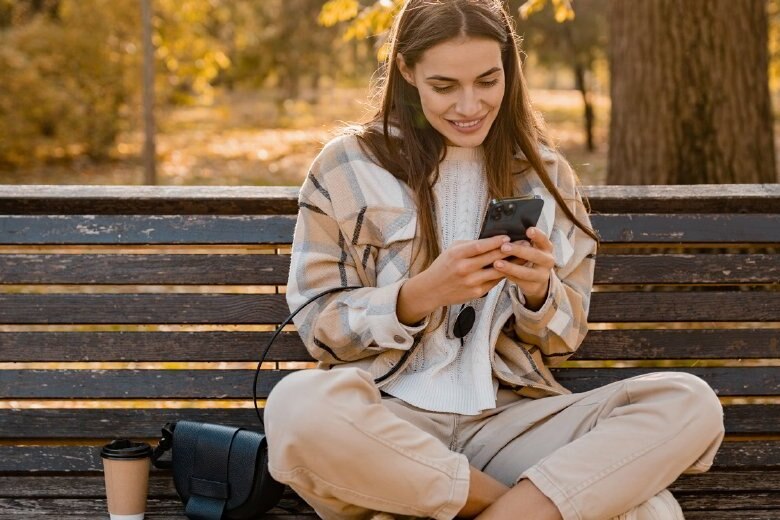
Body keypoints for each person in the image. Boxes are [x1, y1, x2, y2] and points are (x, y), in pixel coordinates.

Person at [264, 1, 725, 519]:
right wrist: (420, 295)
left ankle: (449, 506)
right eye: (445, 87)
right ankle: (514, 508)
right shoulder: (347, 165)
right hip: (389, 427)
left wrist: (537, 294)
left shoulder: (545, 174)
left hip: (511, 422)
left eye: (488, 80)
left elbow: (564, 340)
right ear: (407, 71)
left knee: (690, 402)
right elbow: (320, 327)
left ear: (510, 68)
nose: (470, 105)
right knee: (297, 408)